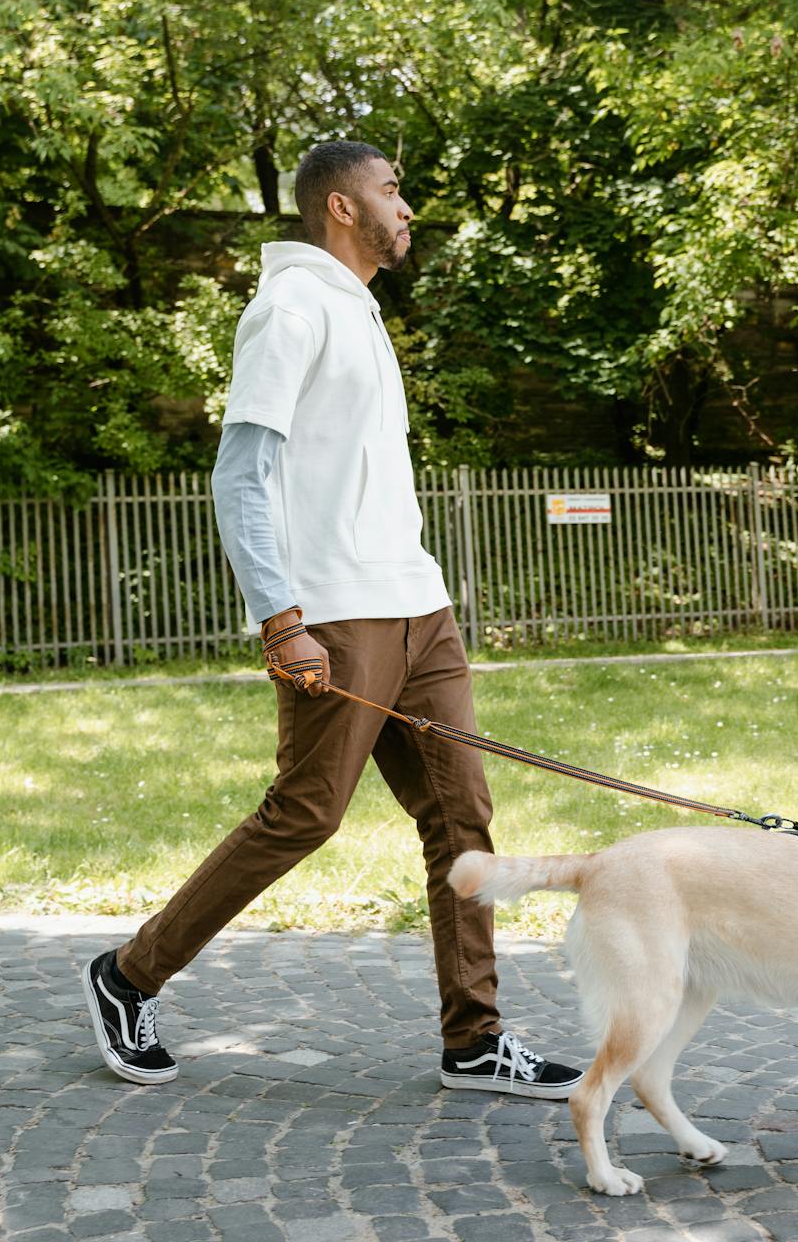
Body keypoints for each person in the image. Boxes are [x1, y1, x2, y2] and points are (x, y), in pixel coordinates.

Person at [81, 140, 582, 1100]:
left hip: (417, 604)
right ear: (341, 208)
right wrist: (280, 615)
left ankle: (475, 1039)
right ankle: (127, 975)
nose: (408, 205)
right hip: (338, 612)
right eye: (393, 189)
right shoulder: (290, 307)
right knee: (306, 813)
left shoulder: (360, 310)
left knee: (461, 814)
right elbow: (241, 472)